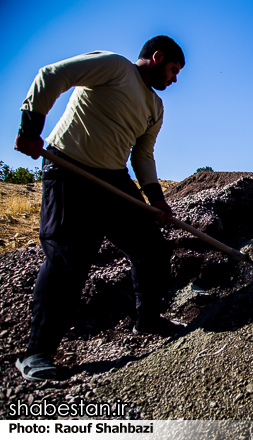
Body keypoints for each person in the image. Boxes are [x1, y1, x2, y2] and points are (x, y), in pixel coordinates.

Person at [13, 35, 186, 381]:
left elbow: (142, 155)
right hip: (69, 170)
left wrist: (157, 201)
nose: (174, 78)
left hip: (113, 180)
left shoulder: (155, 107)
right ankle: (36, 354)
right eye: (173, 69)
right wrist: (30, 128)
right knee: (67, 259)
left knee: (151, 246)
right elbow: (52, 76)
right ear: (157, 56)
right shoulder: (114, 66)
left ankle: (147, 320)